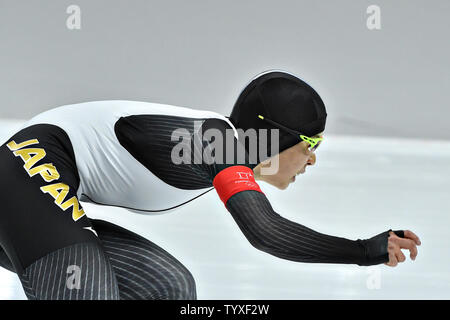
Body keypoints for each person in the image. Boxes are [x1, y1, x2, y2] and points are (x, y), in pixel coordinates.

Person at [0, 70, 421, 300]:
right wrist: (363, 250)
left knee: (168, 287)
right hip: (21, 172)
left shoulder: (219, 147)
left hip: (35, 197)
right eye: (311, 144)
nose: (312, 159)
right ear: (274, 138)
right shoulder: (210, 143)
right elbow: (265, 232)